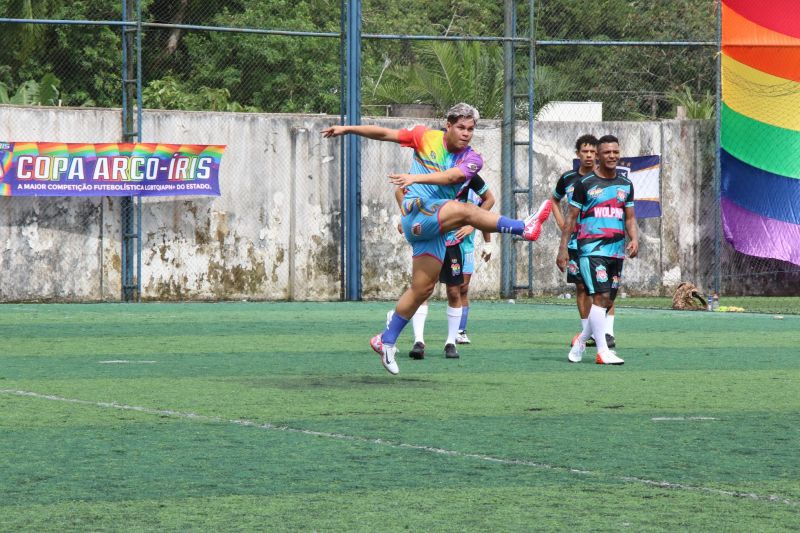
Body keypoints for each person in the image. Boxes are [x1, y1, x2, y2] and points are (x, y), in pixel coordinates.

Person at [323, 103, 551, 375]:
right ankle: (523, 228)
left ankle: (385, 340)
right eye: (461, 127)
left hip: (436, 227)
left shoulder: (472, 159)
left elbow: (452, 176)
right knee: (466, 210)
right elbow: (386, 133)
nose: (466, 133)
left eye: (471, 129)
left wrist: (415, 176)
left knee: (422, 289)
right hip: (418, 213)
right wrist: (348, 128)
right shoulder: (424, 137)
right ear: (449, 125)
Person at [391, 175, 494, 361]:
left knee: (455, 291)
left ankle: (451, 342)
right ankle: (419, 341)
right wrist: (405, 216)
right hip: (428, 238)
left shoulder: (468, 175)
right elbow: (400, 190)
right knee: (422, 290)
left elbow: (490, 199)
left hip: (452, 241)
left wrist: (472, 224)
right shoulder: (430, 171)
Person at [557, 134, 638, 365]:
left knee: (608, 300)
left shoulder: (626, 184)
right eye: (607, 152)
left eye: (615, 152)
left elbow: (630, 217)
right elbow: (571, 219)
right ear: (599, 156)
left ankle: (582, 340)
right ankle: (602, 352)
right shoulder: (585, 184)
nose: (612, 156)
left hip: (616, 251)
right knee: (599, 296)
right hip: (591, 250)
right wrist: (563, 249)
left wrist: (634, 239)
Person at [551, 135, 617, 349]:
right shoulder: (568, 178)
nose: (588, 156)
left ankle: (607, 332)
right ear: (578, 153)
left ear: (597, 154)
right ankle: (588, 332)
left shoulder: (605, 179)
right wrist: (563, 225)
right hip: (574, 244)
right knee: (581, 287)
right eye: (584, 152)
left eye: (592, 152)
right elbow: (553, 200)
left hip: (599, 242)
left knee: (605, 287)